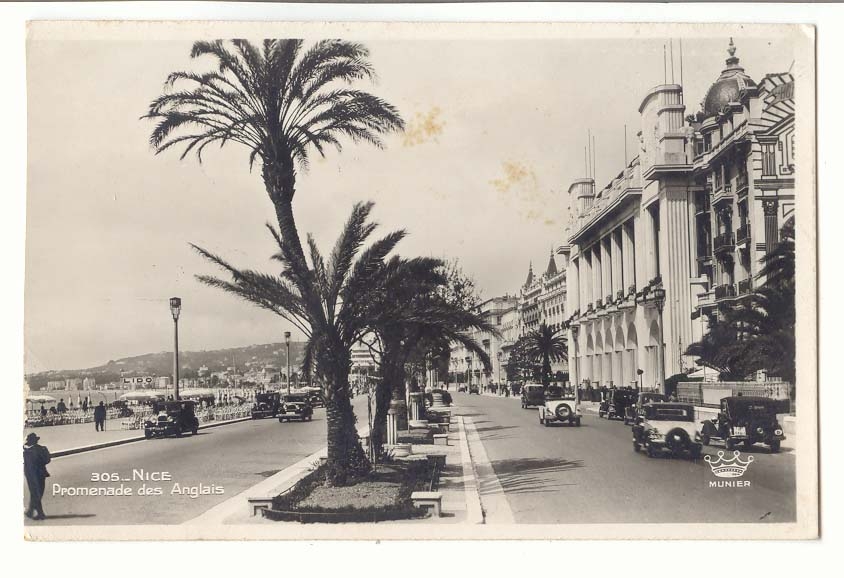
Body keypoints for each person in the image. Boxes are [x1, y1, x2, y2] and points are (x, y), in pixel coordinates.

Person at [23, 433, 51, 520]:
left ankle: (40, 513)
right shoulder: (43, 449)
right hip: (41, 474)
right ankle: (31, 511)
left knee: (35, 493)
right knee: (38, 493)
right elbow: (47, 460)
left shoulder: (27, 452)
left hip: (31, 475)